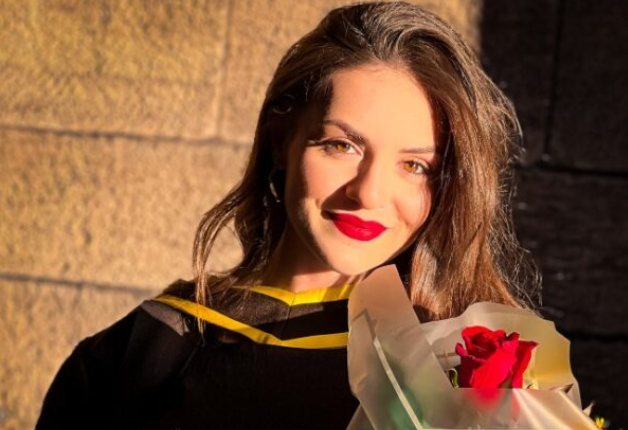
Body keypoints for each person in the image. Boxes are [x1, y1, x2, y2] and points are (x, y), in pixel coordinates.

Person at [36, 2, 539, 429]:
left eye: (415, 166)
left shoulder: (477, 369)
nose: (368, 192)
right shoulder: (135, 354)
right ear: (282, 143)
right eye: (341, 145)